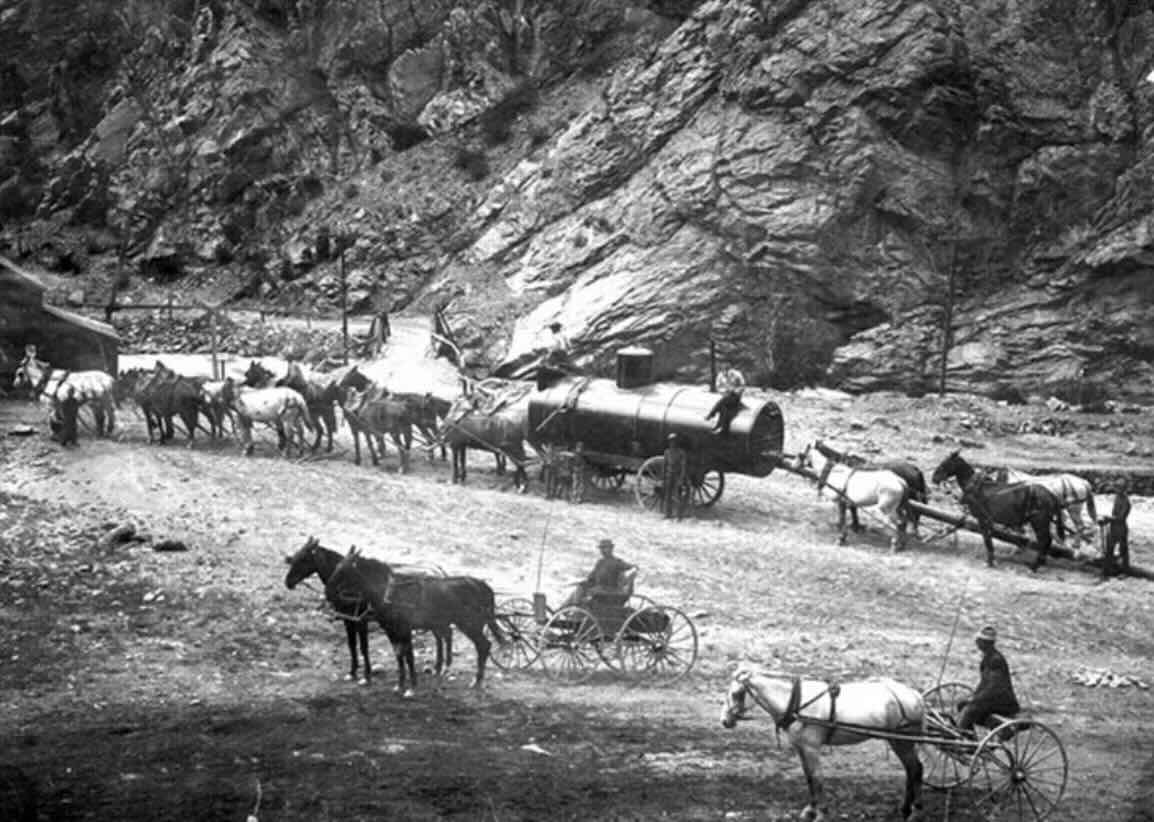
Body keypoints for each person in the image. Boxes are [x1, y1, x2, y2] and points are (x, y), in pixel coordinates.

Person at [957, 626, 1020, 731]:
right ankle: (967, 736)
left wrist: (975, 699)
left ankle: (961, 737)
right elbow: (984, 684)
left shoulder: (995, 660)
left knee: (969, 711)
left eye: (979, 640)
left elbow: (993, 687)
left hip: (1001, 702)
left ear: (986, 643)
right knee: (962, 704)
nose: (976, 642)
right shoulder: (988, 657)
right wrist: (973, 697)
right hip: (991, 699)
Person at [564, 538, 636, 608]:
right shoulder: (600, 562)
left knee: (580, 590)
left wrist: (632, 567)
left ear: (611, 549)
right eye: (601, 549)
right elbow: (592, 577)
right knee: (579, 589)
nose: (603, 551)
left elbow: (626, 566)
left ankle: (574, 606)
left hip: (608, 591)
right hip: (600, 590)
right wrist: (585, 582)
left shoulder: (616, 562)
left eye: (605, 548)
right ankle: (566, 607)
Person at [1099, 488, 1131, 579]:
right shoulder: (1117, 497)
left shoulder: (1126, 502)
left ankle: (1125, 572)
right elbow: (1114, 514)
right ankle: (1107, 570)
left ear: (1124, 488)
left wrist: (1108, 518)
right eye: (1117, 487)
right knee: (1109, 549)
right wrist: (1106, 520)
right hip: (1113, 527)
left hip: (1121, 528)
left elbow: (1121, 518)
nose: (1117, 489)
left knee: (1123, 551)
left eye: (1120, 487)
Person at [706, 366, 746, 435]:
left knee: (724, 401)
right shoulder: (720, 376)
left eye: (728, 371)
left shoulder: (737, 374)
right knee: (723, 407)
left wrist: (735, 390)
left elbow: (742, 386)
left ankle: (712, 414)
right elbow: (718, 387)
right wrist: (725, 390)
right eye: (724, 371)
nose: (726, 373)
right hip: (725, 396)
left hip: (735, 396)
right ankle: (721, 428)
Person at [661, 433, 689, 520]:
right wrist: (663, 478)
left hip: (677, 476)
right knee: (668, 496)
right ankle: (667, 514)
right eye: (671, 441)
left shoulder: (681, 453)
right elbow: (664, 465)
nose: (672, 443)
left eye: (674, 441)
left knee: (678, 496)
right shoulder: (667, 452)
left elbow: (683, 467)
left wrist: (681, 479)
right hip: (669, 476)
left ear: (677, 442)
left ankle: (678, 516)